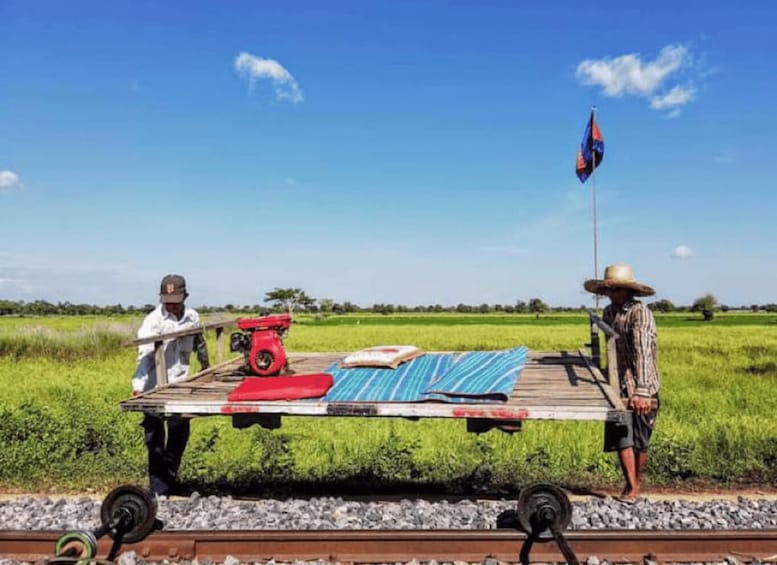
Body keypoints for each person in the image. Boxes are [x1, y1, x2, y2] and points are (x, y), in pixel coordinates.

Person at [584, 264, 660, 502]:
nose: (614, 293)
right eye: (610, 289)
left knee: (640, 439)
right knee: (621, 436)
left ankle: (635, 483)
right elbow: (612, 348)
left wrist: (643, 390)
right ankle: (631, 486)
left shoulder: (639, 313)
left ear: (629, 290)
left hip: (640, 383)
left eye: (618, 289)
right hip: (618, 383)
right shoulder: (609, 312)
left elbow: (643, 352)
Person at [132, 274, 209, 496]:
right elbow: (144, 355)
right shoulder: (154, 321)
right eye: (168, 300)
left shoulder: (193, 317)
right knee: (154, 439)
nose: (172, 304)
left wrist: (206, 367)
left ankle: (169, 481)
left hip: (181, 386)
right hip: (155, 388)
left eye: (176, 299)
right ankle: (158, 488)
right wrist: (138, 385)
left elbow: (200, 344)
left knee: (179, 435)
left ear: (185, 296)